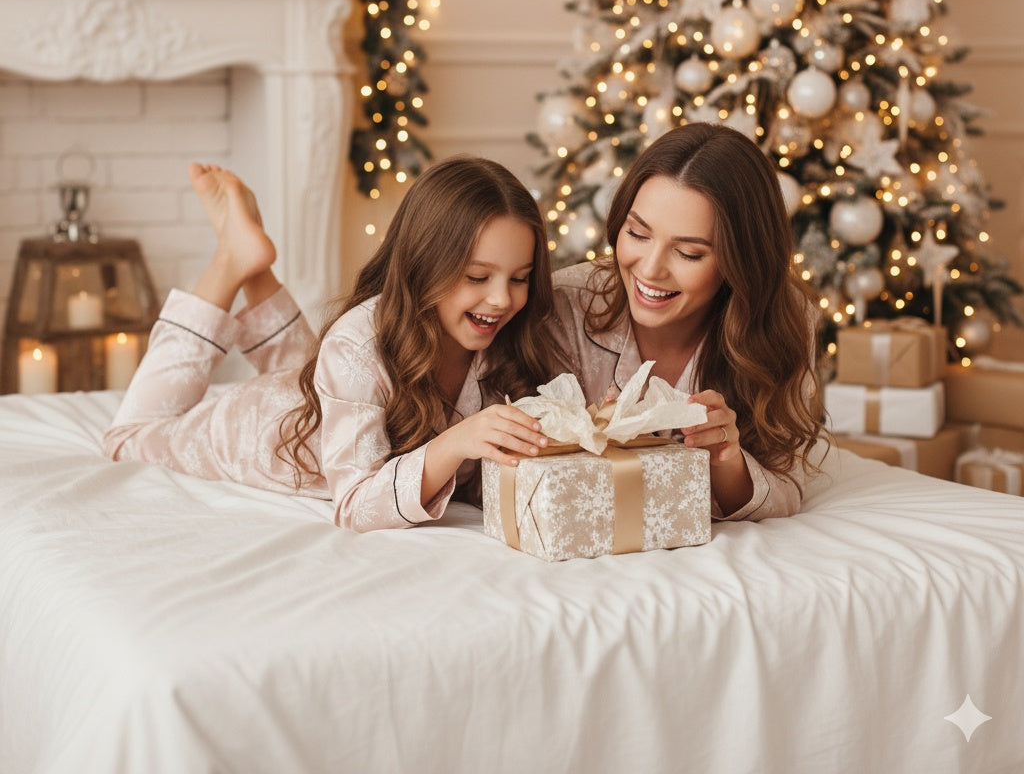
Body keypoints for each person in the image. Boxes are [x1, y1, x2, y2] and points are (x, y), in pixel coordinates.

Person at [103, 157, 559, 530]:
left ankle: (255, 267)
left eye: (519, 278)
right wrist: (456, 443)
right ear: (424, 265)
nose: (502, 300)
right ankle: (231, 261)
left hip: (317, 393)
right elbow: (356, 504)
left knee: (316, 370)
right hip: (263, 426)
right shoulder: (358, 343)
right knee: (128, 437)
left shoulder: (504, 341)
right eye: (477, 277)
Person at [553, 122, 824, 521]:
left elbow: (784, 491)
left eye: (689, 253)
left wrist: (725, 458)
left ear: (740, 261)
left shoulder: (786, 320)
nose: (650, 269)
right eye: (637, 234)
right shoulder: (565, 303)